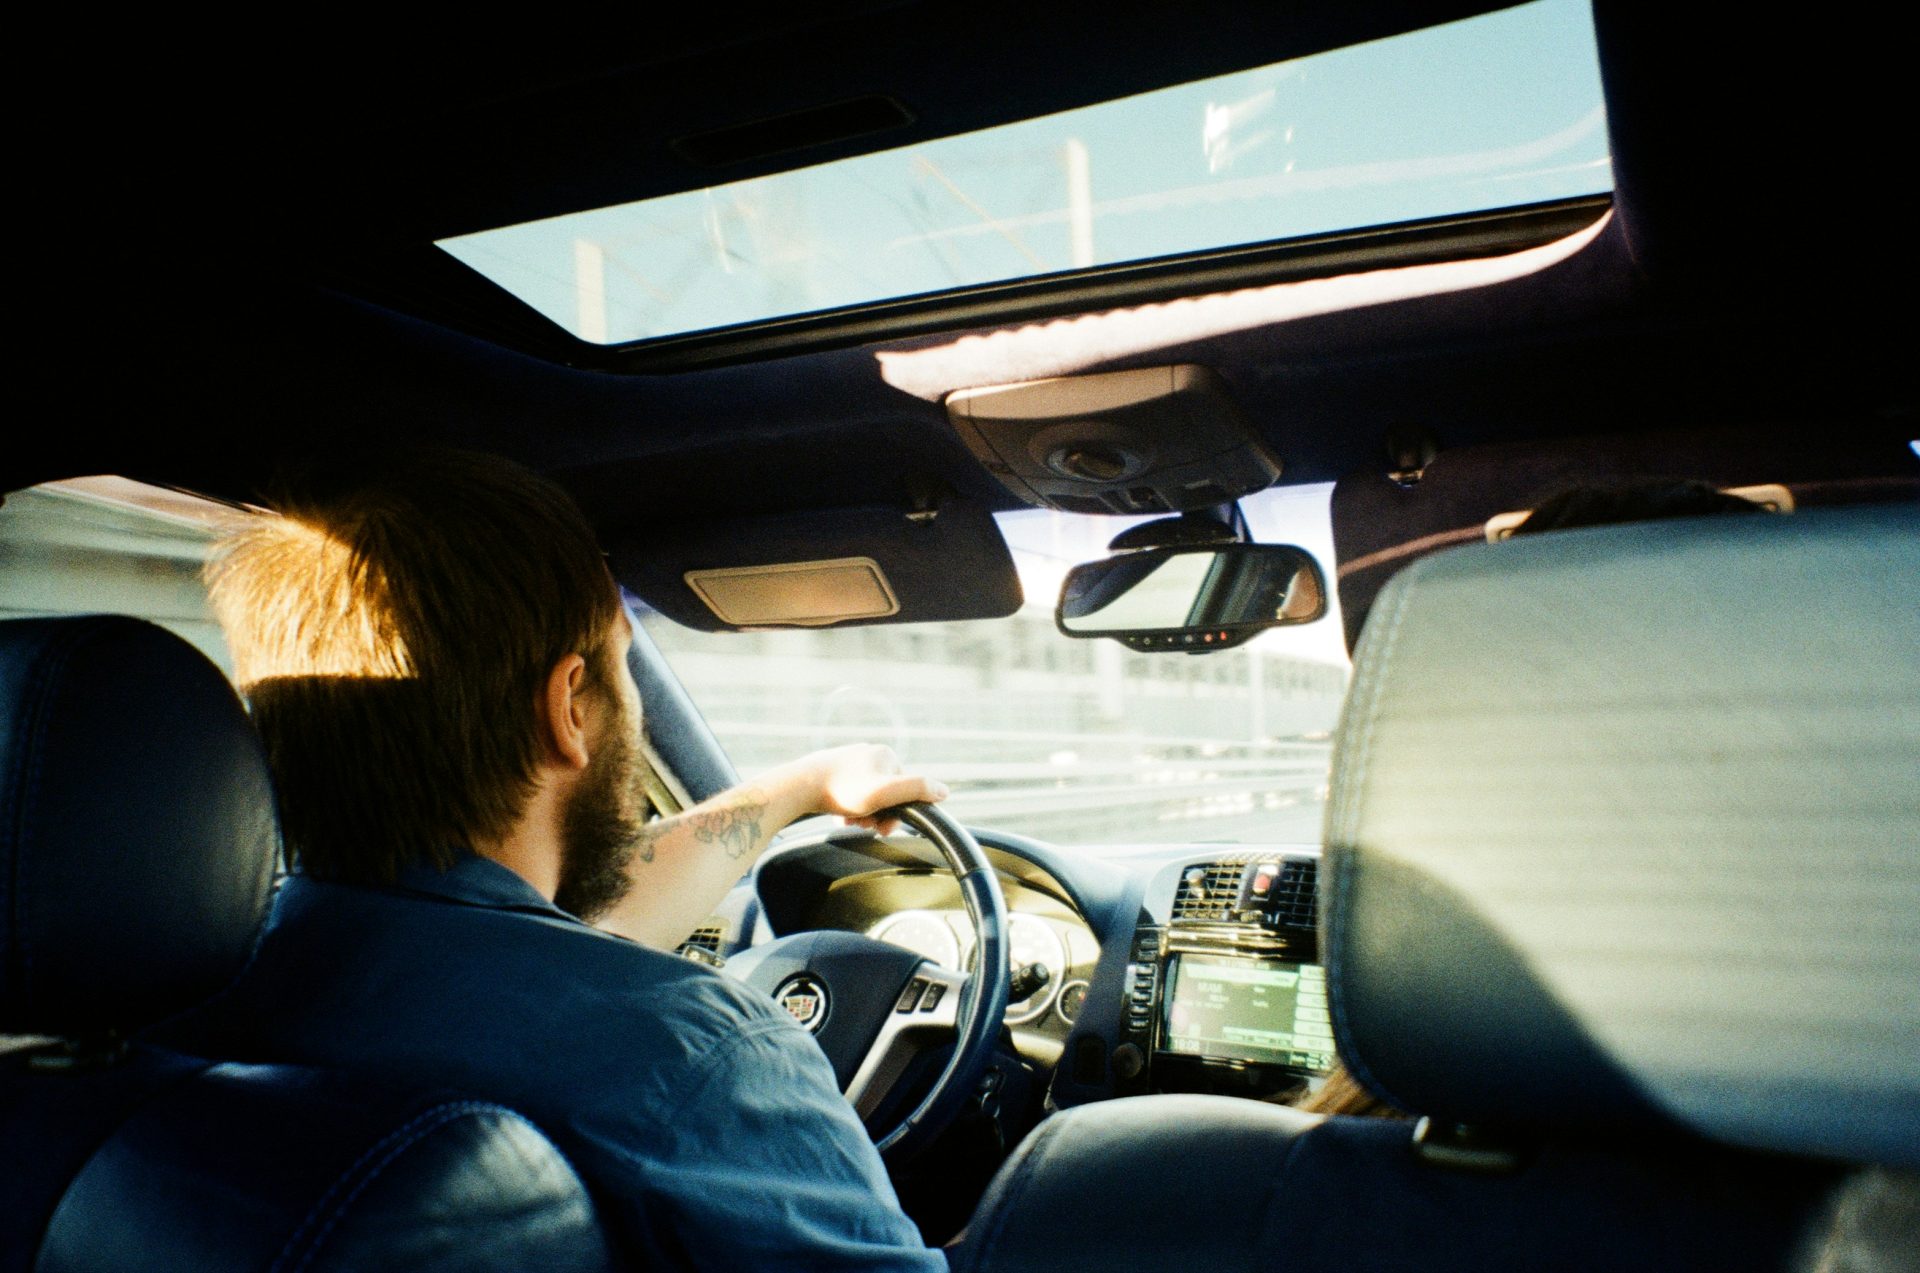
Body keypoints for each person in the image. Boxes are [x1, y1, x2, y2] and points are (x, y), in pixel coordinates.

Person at [160, 450, 950, 1271]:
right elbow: (577, 986)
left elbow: (544, 949)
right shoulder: (689, 1060)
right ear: (570, 706)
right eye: (622, 666)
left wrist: (803, 787)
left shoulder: (179, 1002)